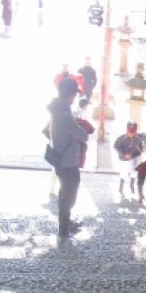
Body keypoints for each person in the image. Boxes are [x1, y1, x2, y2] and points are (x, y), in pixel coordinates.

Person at [46, 77, 89, 240]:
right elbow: (82, 135)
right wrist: (81, 131)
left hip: (63, 157)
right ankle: (63, 229)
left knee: (65, 191)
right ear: (70, 95)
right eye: (74, 94)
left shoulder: (57, 110)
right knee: (69, 194)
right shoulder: (64, 115)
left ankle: (66, 222)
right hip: (67, 160)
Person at [113, 122, 146, 199]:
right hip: (124, 158)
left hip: (135, 156)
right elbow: (116, 146)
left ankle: (132, 184)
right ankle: (121, 186)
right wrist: (124, 154)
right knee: (124, 172)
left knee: (135, 171)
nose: (131, 133)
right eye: (129, 131)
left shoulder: (139, 136)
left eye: (133, 132)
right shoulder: (121, 138)